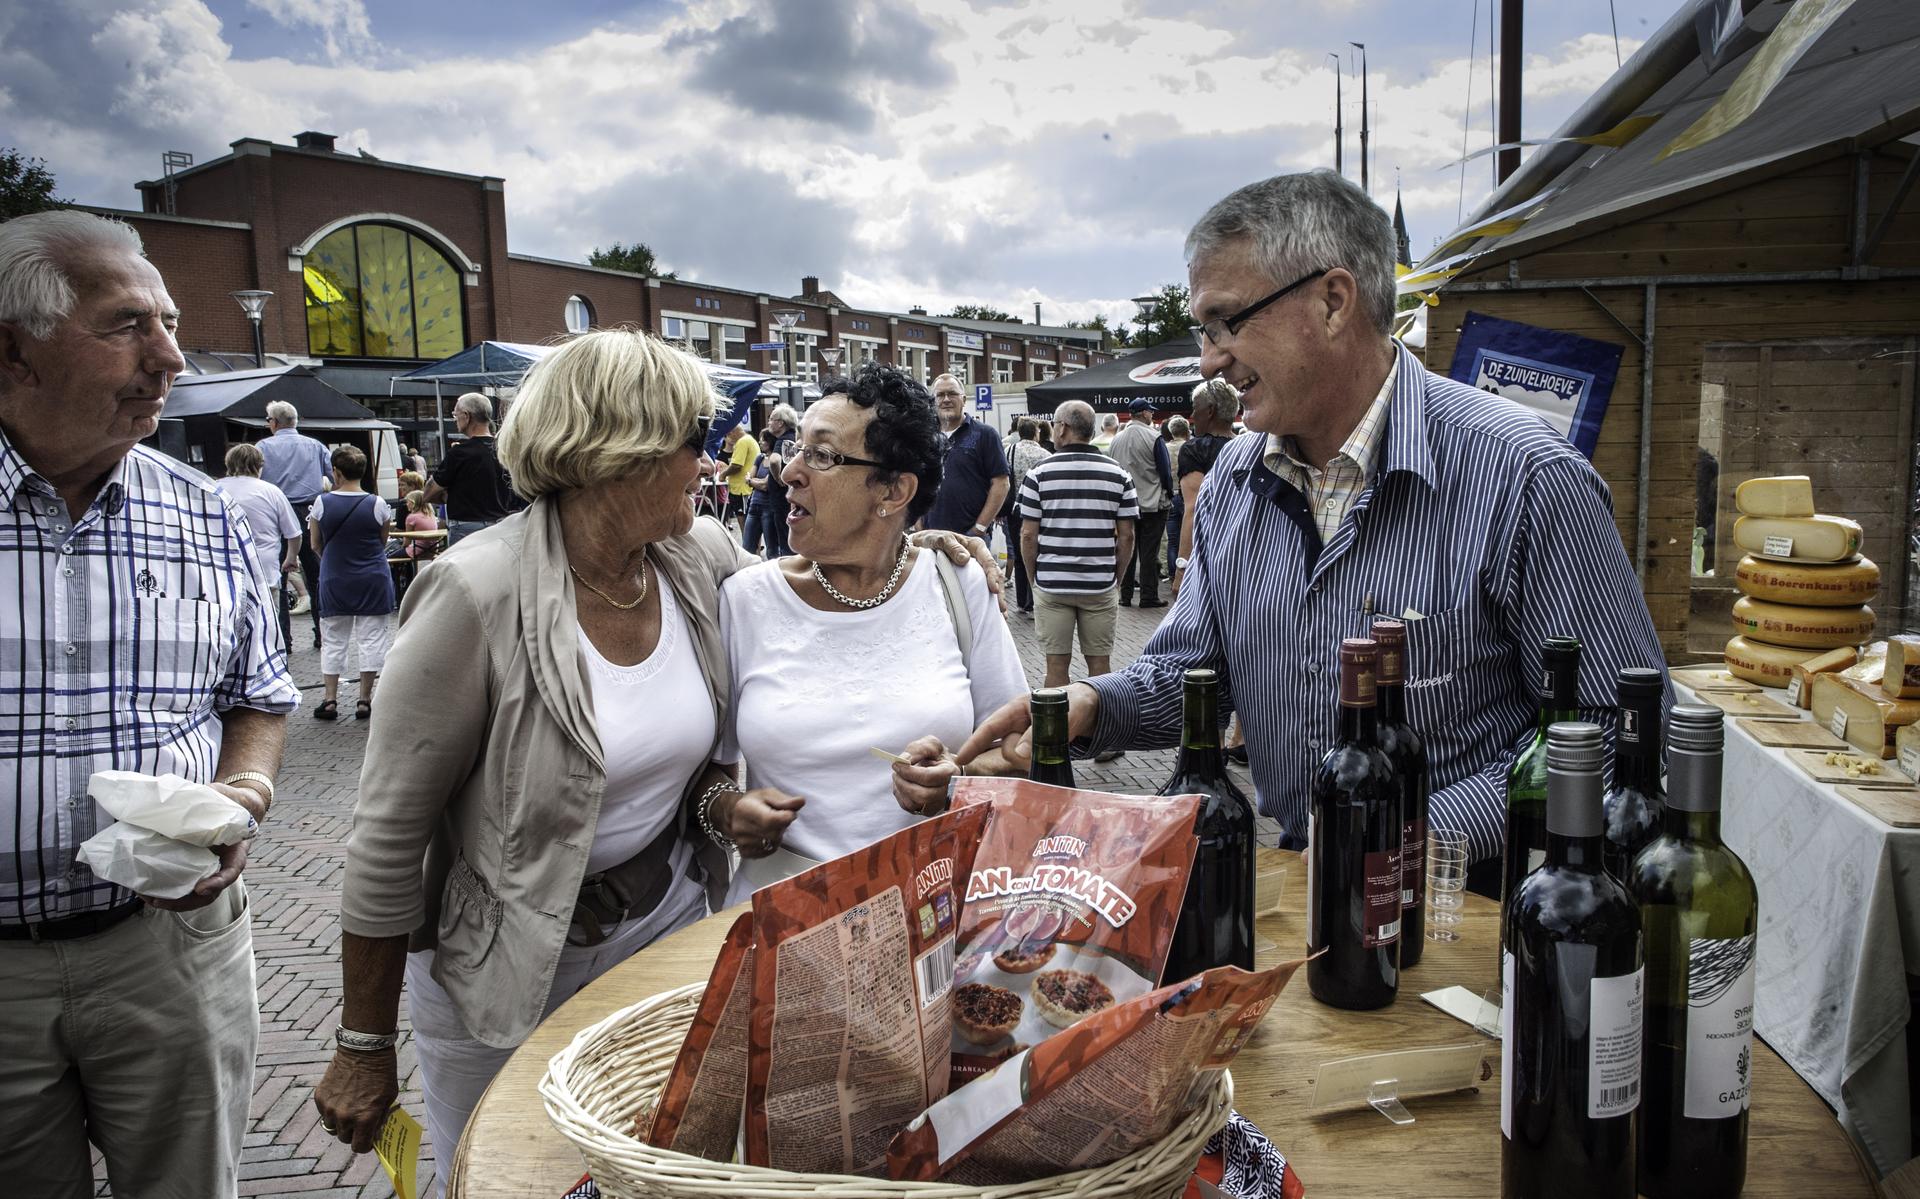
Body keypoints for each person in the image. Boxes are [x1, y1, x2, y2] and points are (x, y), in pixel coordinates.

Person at [314, 330, 993, 1182]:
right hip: (508, 964)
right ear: (618, 452)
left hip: (663, 930)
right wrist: (363, 1042)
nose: (708, 464)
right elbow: (388, 834)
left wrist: (924, 546)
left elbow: (832, 583)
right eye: (692, 442)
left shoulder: (693, 555)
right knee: (503, 1173)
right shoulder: (474, 592)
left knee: (653, 1165)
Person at [960, 169, 1667, 889]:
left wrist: (1405, 833)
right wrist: (1090, 705)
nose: (1210, 359)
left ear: (1333, 301)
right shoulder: (1236, 479)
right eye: (1204, 331)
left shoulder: (1527, 475)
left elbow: (1618, 729)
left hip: (1466, 909)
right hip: (1303, 892)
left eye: (1226, 322)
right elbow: (1192, 673)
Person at [0, 209, 298, 1198]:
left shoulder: (206, 513)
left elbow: (258, 694)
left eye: (168, 322)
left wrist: (243, 795)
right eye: (127, 324)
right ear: (15, 349)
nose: (169, 356)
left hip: (171, 950)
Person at [717, 362, 1026, 900]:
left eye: (822, 455)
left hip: (935, 907)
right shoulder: (745, 598)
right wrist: (726, 810)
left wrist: (956, 779)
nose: (790, 472)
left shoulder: (956, 583)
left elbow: (1019, 746)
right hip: (783, 912)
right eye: (796, 449)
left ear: (894, 490)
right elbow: (704, 768)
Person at [1017, 399, 1137, 689]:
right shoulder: (1119, 475)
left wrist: (1035, 579)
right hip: (1099, 585)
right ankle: (1100, 718)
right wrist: (1116, 579)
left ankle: (1058, 719)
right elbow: (1127, 536)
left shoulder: (1038, 475)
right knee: (1100, 666)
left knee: (1056, 667)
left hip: (1053, 585)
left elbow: (1028, 535)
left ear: (1062, 428)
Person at [309, 445, 396, 721]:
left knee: (333, 639)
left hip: (335, 578)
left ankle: (330, 699)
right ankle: (364, 700)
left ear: (336, 472)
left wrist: (332, 559)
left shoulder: (322, 503)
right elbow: (382, 541)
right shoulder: (377, 503)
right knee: (372, 640)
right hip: (373, 578)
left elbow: (315, 544)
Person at [258, 397, 333, 648]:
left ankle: (283, 640)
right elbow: (334, 477)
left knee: (278, 576)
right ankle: (323, 634)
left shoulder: (263, 447)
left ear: (275, 422)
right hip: (310, 511)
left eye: (268, 420)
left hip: (276, 512)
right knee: (317, 574)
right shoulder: (315, 446)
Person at [217, 441, 303, 650]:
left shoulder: (215, 488)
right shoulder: (271, 491)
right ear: (259, 465)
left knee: (229, 624)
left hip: (224, 568)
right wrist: (291, 558)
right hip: (264, 568)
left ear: (229, 464)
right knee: (267, 624)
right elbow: (294, 533)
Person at [1171, 377, 1240, 598]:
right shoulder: (1248, 446)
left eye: (1195, 408)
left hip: (1209, 551)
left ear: (1210, 411)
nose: (1192, 415)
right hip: (1243, 550)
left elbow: (1194, 508)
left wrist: (1182, 567)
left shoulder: (1195, 449)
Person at [922, 372, 1009, 537]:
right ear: (933, 402)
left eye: (952, 394)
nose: (946, 399)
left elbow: (1001, 484)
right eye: (940, 395)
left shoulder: (985, 434)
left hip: (971, 537)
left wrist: (979, 528)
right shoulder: (925, 436)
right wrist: (919, 525)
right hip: (930, 536)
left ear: (964, 399)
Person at [425, 392, 515, 545]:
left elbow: (429, 493)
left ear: (466, 416)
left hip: (466, 527)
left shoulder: (459, 453)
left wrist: (450, 497)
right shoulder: (505, 450)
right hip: (500, 525)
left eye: (455, 415)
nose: (455, 420)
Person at [1109, 399, 1174, 608]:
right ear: (1144, 413)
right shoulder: (1154, 437)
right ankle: (1148, 595)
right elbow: (1165, 471)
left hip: (1125, 504)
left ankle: (1125, 594)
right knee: (1149, 552)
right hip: (1152, 503)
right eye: (1150, 412)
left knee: (1127, 547)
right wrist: (1169, 492)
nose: (1152, 415)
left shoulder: (1117, 439)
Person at [1002, 417, 1049, 614]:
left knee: (1020, 554)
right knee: (1037, 553)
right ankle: (1036, 597)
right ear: (1036, 433)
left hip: (1016, 509)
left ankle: (1022, 602)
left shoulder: (1008, 451)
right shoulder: (1046, 455)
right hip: (1040, 511)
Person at [741, 403, 797, 558]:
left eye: (771, 419)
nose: (769, 422)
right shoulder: (793, 438)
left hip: (780, 500)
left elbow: (774, 460)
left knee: (783, 544)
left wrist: (778, 478)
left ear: (781, 423)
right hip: (787, 499)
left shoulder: (782, 440)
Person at [714, 421, 759, 531]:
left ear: (733, 432)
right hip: (747, 487)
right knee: (751, 524)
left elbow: (736, 465)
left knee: (744, 524)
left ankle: (747, 542)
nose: (729, 438)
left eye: (728, 434)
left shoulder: (742, 442)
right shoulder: (750, 440)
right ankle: (751, 541)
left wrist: (723, 474)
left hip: (741, 489)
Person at [1162, 415, 1190, 581]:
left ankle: (1173, 574)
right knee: (1189, 535)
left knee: (1173, 540)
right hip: (1187, 495)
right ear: (1186, 430)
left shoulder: (1164, 448)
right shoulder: (1190, 447)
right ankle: (1187, 573)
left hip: (1170, 495)